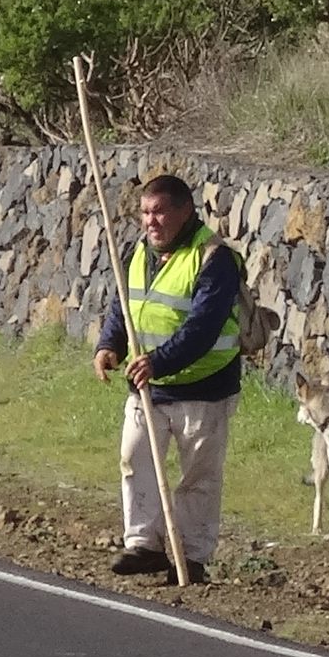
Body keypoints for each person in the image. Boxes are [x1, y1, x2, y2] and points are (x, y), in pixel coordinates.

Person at [95, 172, 246, 581]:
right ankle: (143, 545)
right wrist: (109, 345)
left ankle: (192, 558)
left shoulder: (214, 258)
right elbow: (123, 304)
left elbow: (203, 326)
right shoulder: (137, 252)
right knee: (134, 459)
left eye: (160, 212)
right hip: (148, 388)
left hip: (204, 390)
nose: (151, 221)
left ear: (186, 212)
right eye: (145, 212)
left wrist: (159, 361)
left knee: (199, 477)